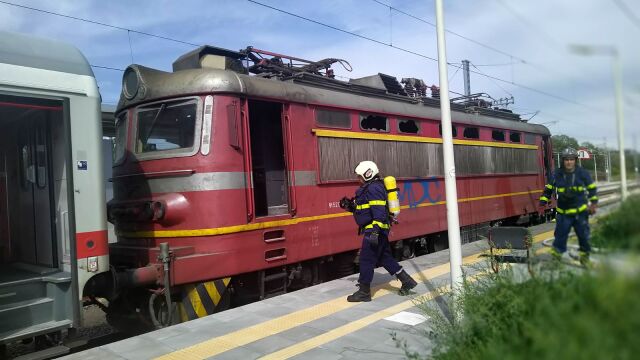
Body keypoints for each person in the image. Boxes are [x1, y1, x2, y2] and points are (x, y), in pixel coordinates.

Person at [340, 160, 417, 302]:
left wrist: (374, 232)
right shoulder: (369, 188)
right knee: (384, 258)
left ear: (367, 174)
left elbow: (379, 213)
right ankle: (407, 281)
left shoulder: (374, 188)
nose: (358, 179)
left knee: (365, 259)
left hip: (375, 229)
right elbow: (366, 210)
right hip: (378, 229)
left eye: (360, 176)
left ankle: (364, 292)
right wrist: (350, 206)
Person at [539, 148, 598, 265]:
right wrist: (542, 202)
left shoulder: (582, 173)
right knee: (560, 239)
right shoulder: (557, 174)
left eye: (571, 159)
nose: (569, 162)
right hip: (563, 214)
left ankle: (585, 260)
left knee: (584, 238)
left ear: (575, 160)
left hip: (580, 214)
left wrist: (593, 204)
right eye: (566, 159)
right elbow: (548, 189)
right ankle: (556, 261)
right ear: (563, 161)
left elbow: (592, 189)